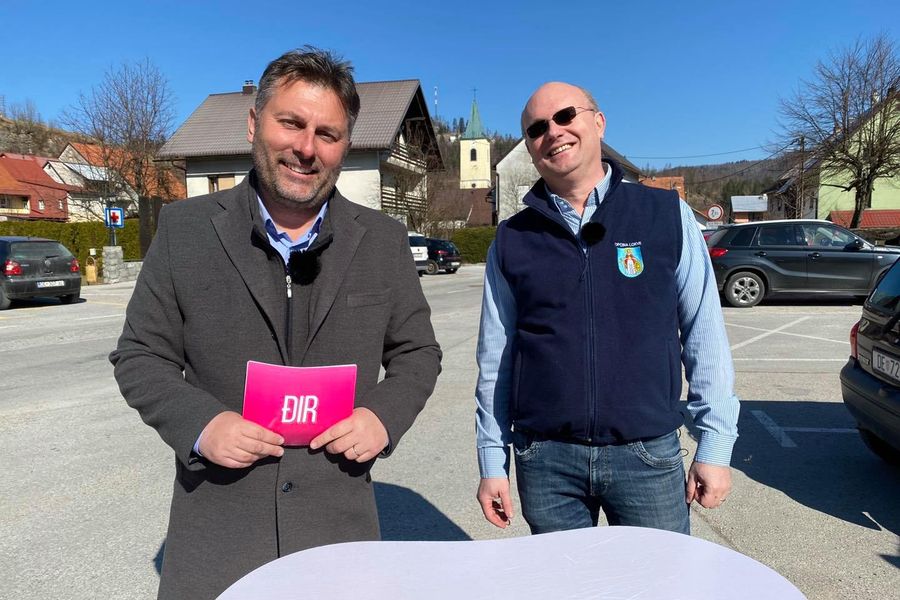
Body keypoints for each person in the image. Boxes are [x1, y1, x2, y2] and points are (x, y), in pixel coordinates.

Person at [110, 47, 441, 599]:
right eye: (291, 123)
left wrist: (383, 418)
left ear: (345, 145)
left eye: (327, 134)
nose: (306, 148)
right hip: (217, 534)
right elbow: (140, 355)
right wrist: (202, 425)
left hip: (338, 533)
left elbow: (418, 353)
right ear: (253, 123)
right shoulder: (185, 229)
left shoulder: (382, 241)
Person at [475, 82, 739, 536]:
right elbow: (495, 358)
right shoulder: (512, 239)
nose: (552, 132)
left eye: (565, 116)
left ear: (598, 122)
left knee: (659, 575)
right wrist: (491, 460)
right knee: (564, 577)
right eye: (536, 128)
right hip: (546, 460)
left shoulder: (665, 214)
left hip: (646, 454)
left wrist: (714, 445)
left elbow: (704, 333)